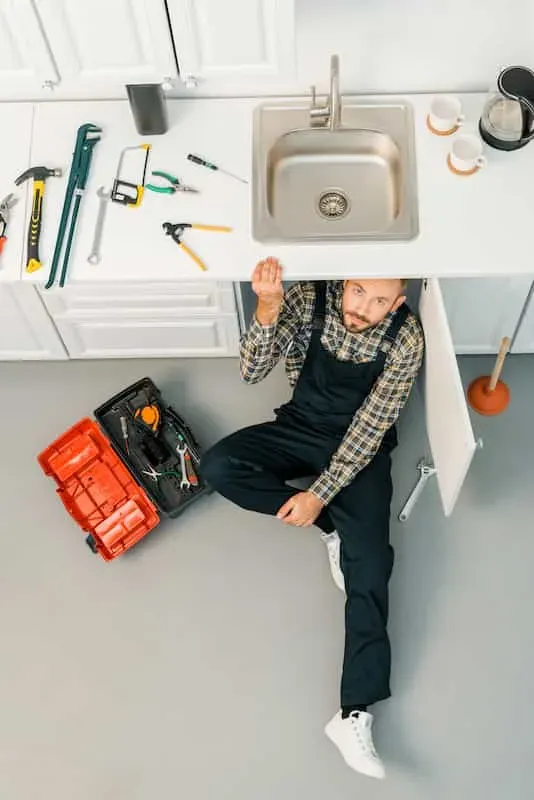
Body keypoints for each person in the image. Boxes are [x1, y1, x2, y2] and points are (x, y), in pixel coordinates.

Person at [200, 257, 424, 780]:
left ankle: (353, 713)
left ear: (398, 302)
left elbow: (369, 430)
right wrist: (267, 307)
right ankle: (329, 531)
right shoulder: (309, 298)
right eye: (358, 291)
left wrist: (319, 493)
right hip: (300, 427)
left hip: (361, 448)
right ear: (344, 282)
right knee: (218, 467)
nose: (363, 308)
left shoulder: (406, 339)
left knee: (371, 569)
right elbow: (251, 371)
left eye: (379, 301)